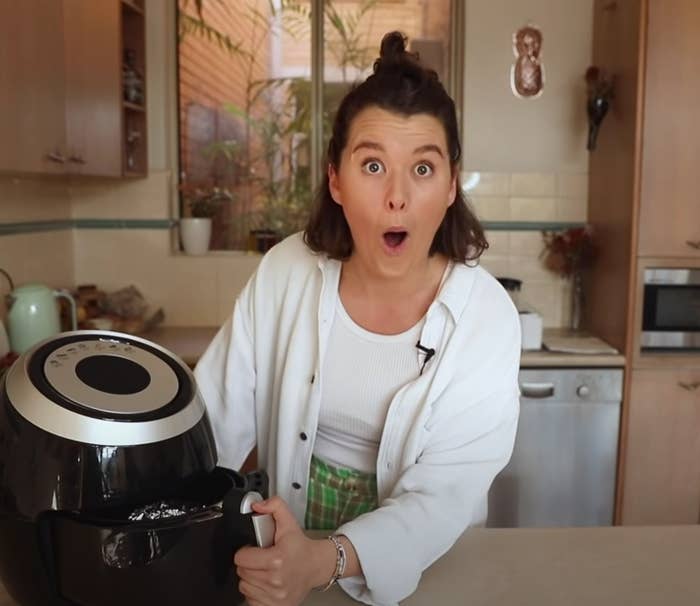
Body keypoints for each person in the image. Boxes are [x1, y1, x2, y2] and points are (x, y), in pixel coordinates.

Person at [194, 31, 521, 606]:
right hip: (286, 560)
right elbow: (213, 420)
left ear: (450, 185)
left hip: (427, 565)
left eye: (422, 169)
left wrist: (326, 559)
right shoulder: (285, 272)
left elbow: (444, 494)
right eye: (373, 165)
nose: (397, 197)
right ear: (336, 179)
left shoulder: (485, 316)